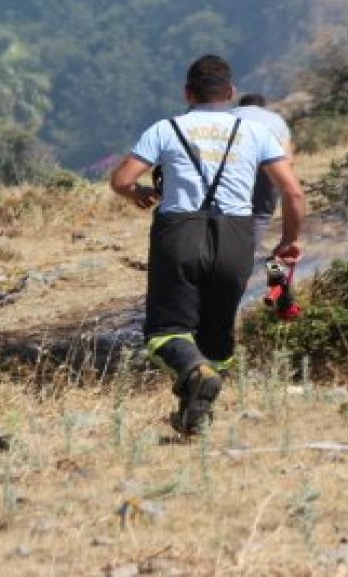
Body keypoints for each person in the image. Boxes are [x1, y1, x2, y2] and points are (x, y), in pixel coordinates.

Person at [110, 55, 306, 438]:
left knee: (166, 330)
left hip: (179, 233)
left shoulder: (166, 129)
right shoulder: (254, 132)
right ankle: (195, 416)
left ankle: (191, 373)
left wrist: (138, 192)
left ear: (187, 93)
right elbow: (293, 192)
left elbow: (120, 179)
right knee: (217, 338)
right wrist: (290, 241)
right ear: (231, 93)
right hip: (237, 236)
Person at [233, 93, 294, 256]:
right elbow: (287, 158)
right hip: (268, 165)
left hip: (234, 164)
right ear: (262, 106)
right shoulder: (275, 119)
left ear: (241, 105)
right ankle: (247, 253)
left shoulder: (229, 115)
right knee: (261, 214)